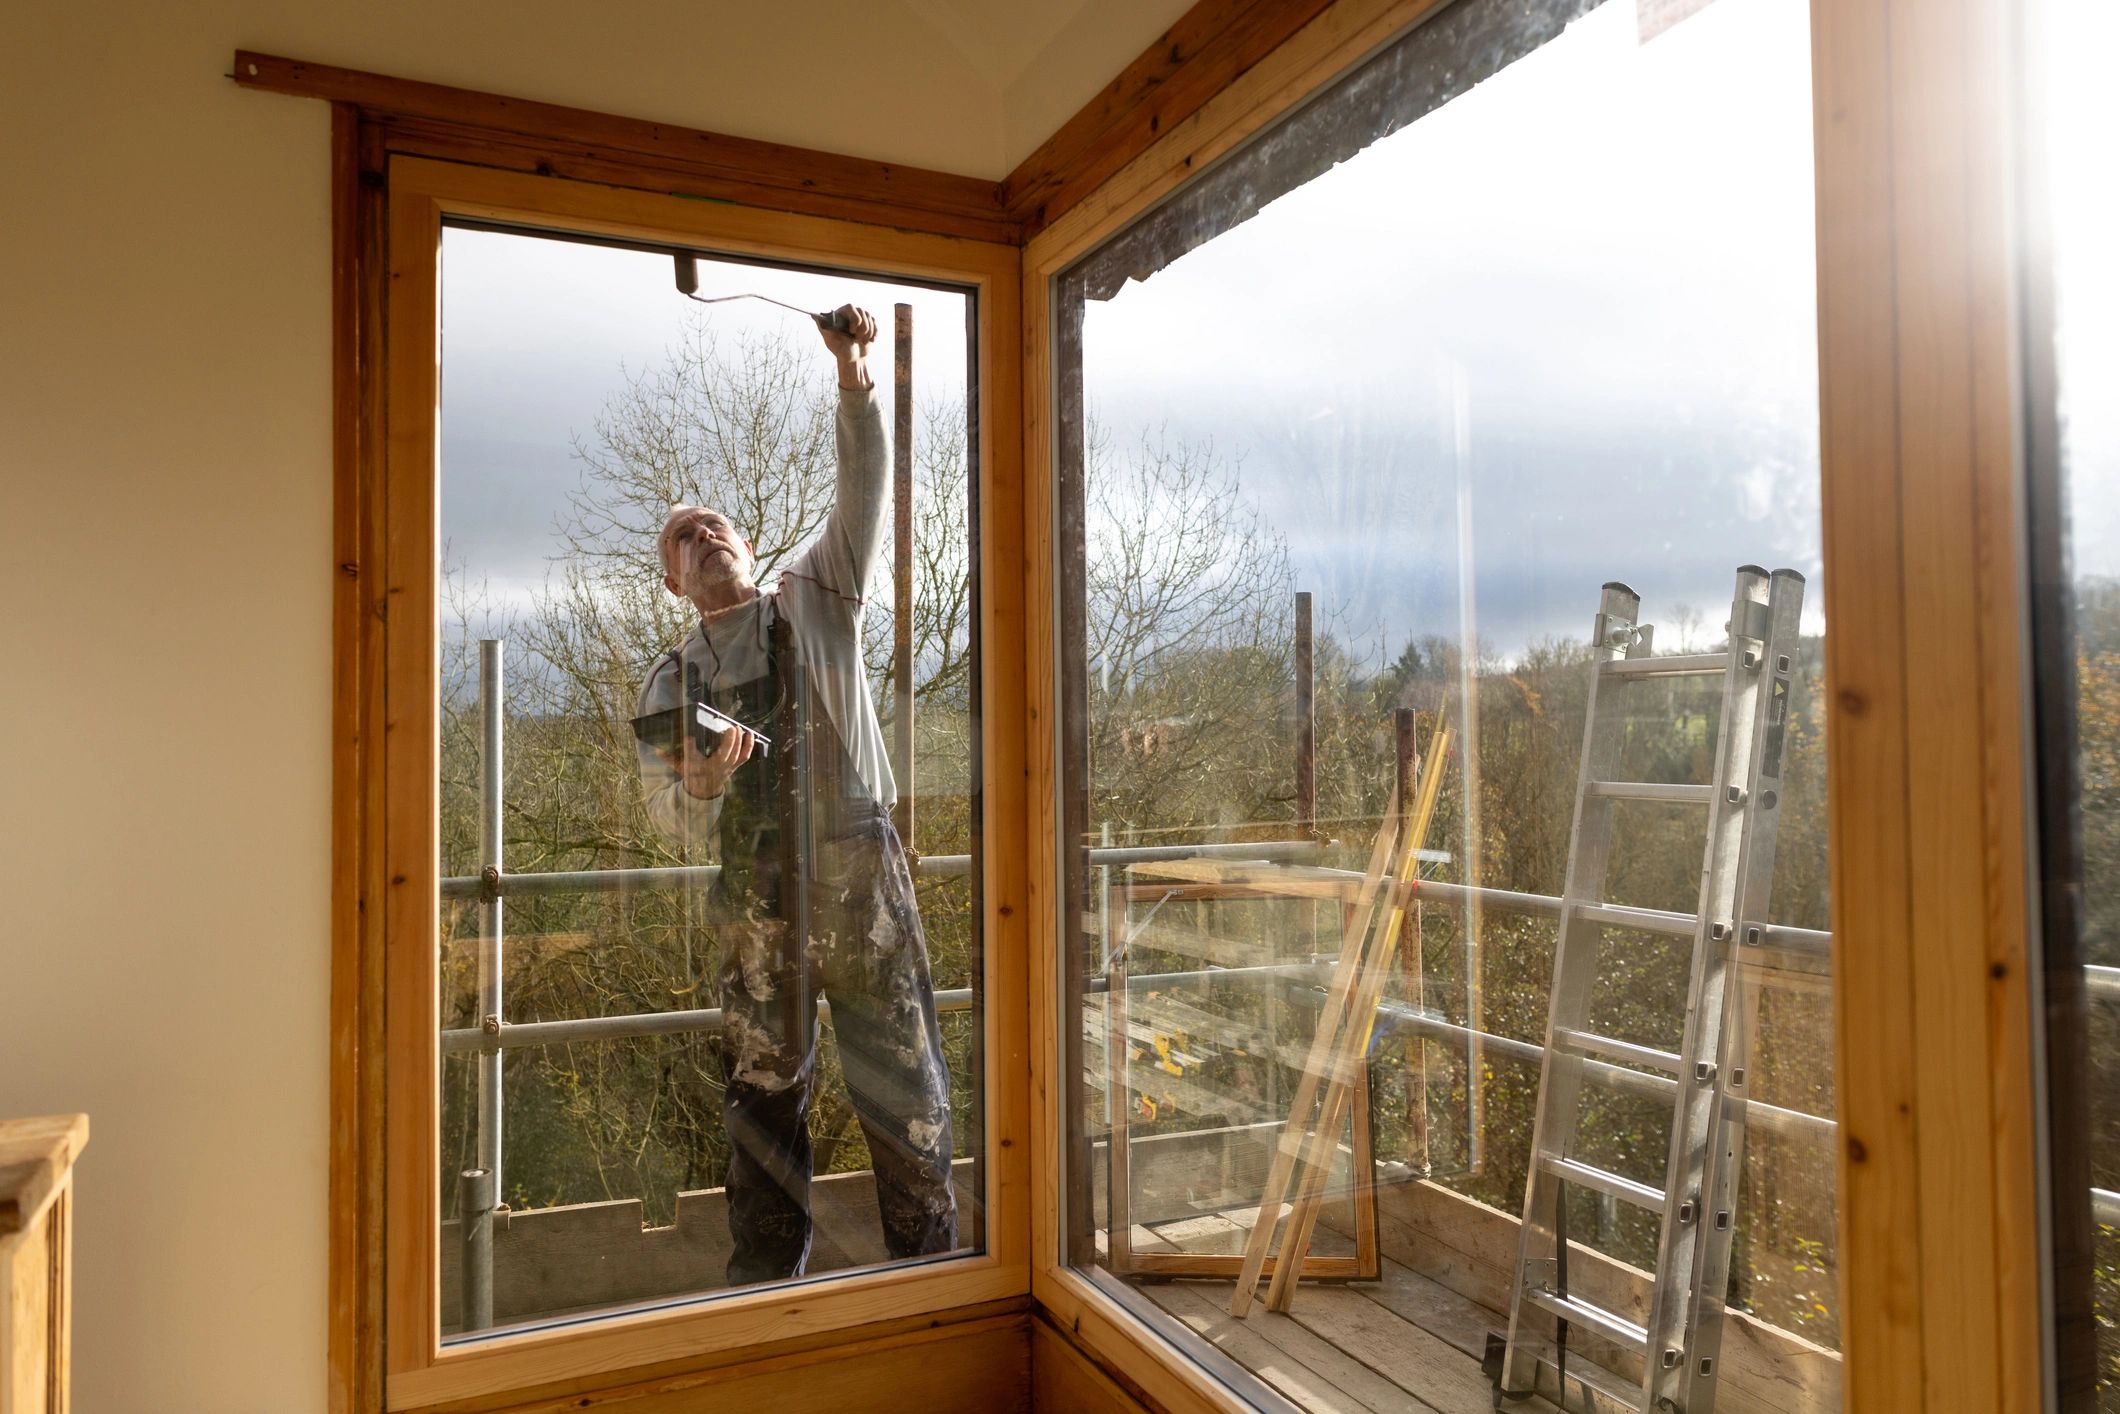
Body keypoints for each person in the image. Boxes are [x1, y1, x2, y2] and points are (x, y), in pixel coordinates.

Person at [634, 305, 956, 1285]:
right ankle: (764, 1302)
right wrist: (696, 779)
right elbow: (664, 810)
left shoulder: (815, 598)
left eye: (713, 523)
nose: (704, 534)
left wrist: (854, 371)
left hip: (859, 868)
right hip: (755, 898)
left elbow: (863, 491)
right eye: (684, 537)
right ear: (672, 580)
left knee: (903, 1090)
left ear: (741, 544)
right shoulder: (668, 678)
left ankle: (927, 1285)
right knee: (761, 1104)